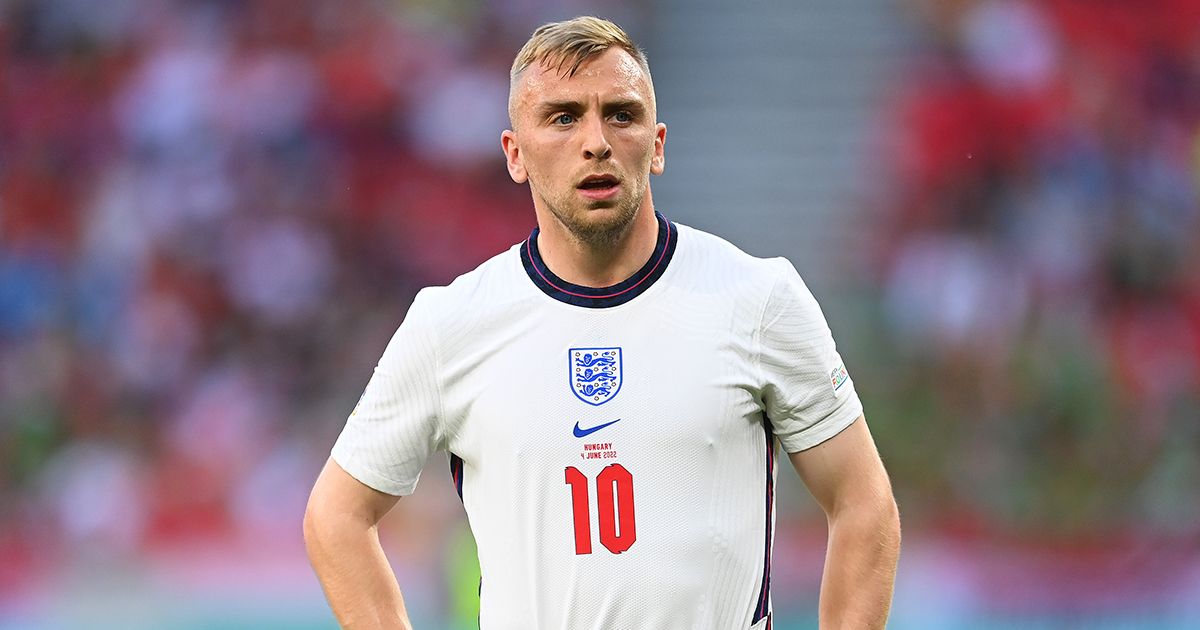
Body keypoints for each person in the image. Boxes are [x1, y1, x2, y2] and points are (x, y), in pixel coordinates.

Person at [304, 16, 900, 630]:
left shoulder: (758, 298)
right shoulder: (450, 323)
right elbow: (336, 517)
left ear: (658, 142)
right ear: (515, 154)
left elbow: (863, 503)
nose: (596, 141)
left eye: (621, 114)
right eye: (563, 117)